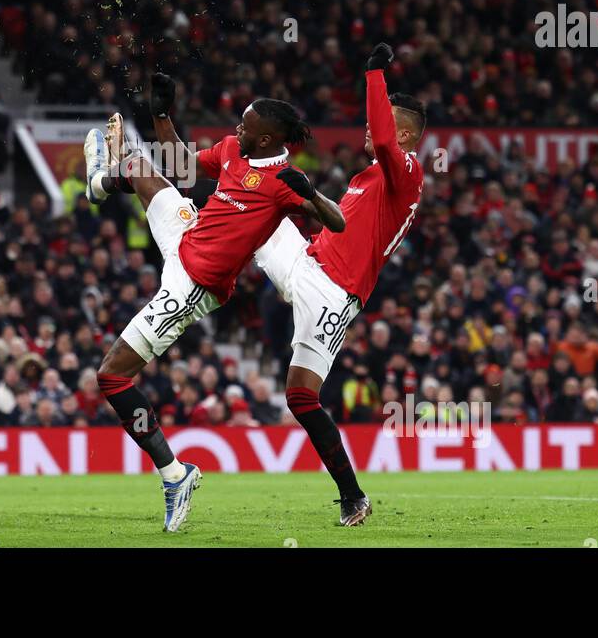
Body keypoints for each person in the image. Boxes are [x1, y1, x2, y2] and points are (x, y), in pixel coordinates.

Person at [82, 76, 344, 532]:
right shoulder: (230, 150)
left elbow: (337, 222)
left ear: (265, 138)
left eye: (244, 126)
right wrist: (162, 115)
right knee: (144, 168)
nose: (235, 130)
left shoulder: (282, 183)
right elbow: (182, 167)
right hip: (185, 238)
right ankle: (99, 184)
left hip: (193, 287)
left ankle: (174, 474)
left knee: (111, 376)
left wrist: (312, 193)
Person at [252, 42, 426, 526]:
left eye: (384, 121)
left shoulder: (407, 172)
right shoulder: (366, 179)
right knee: (248, 196)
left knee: (301, 396)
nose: (372, 129)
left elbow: (388, 142)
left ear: (406, 132)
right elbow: (341, 230)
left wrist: (374, 77)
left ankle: (353, 495)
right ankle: (162, 196)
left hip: (332, 293)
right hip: (306, 261)